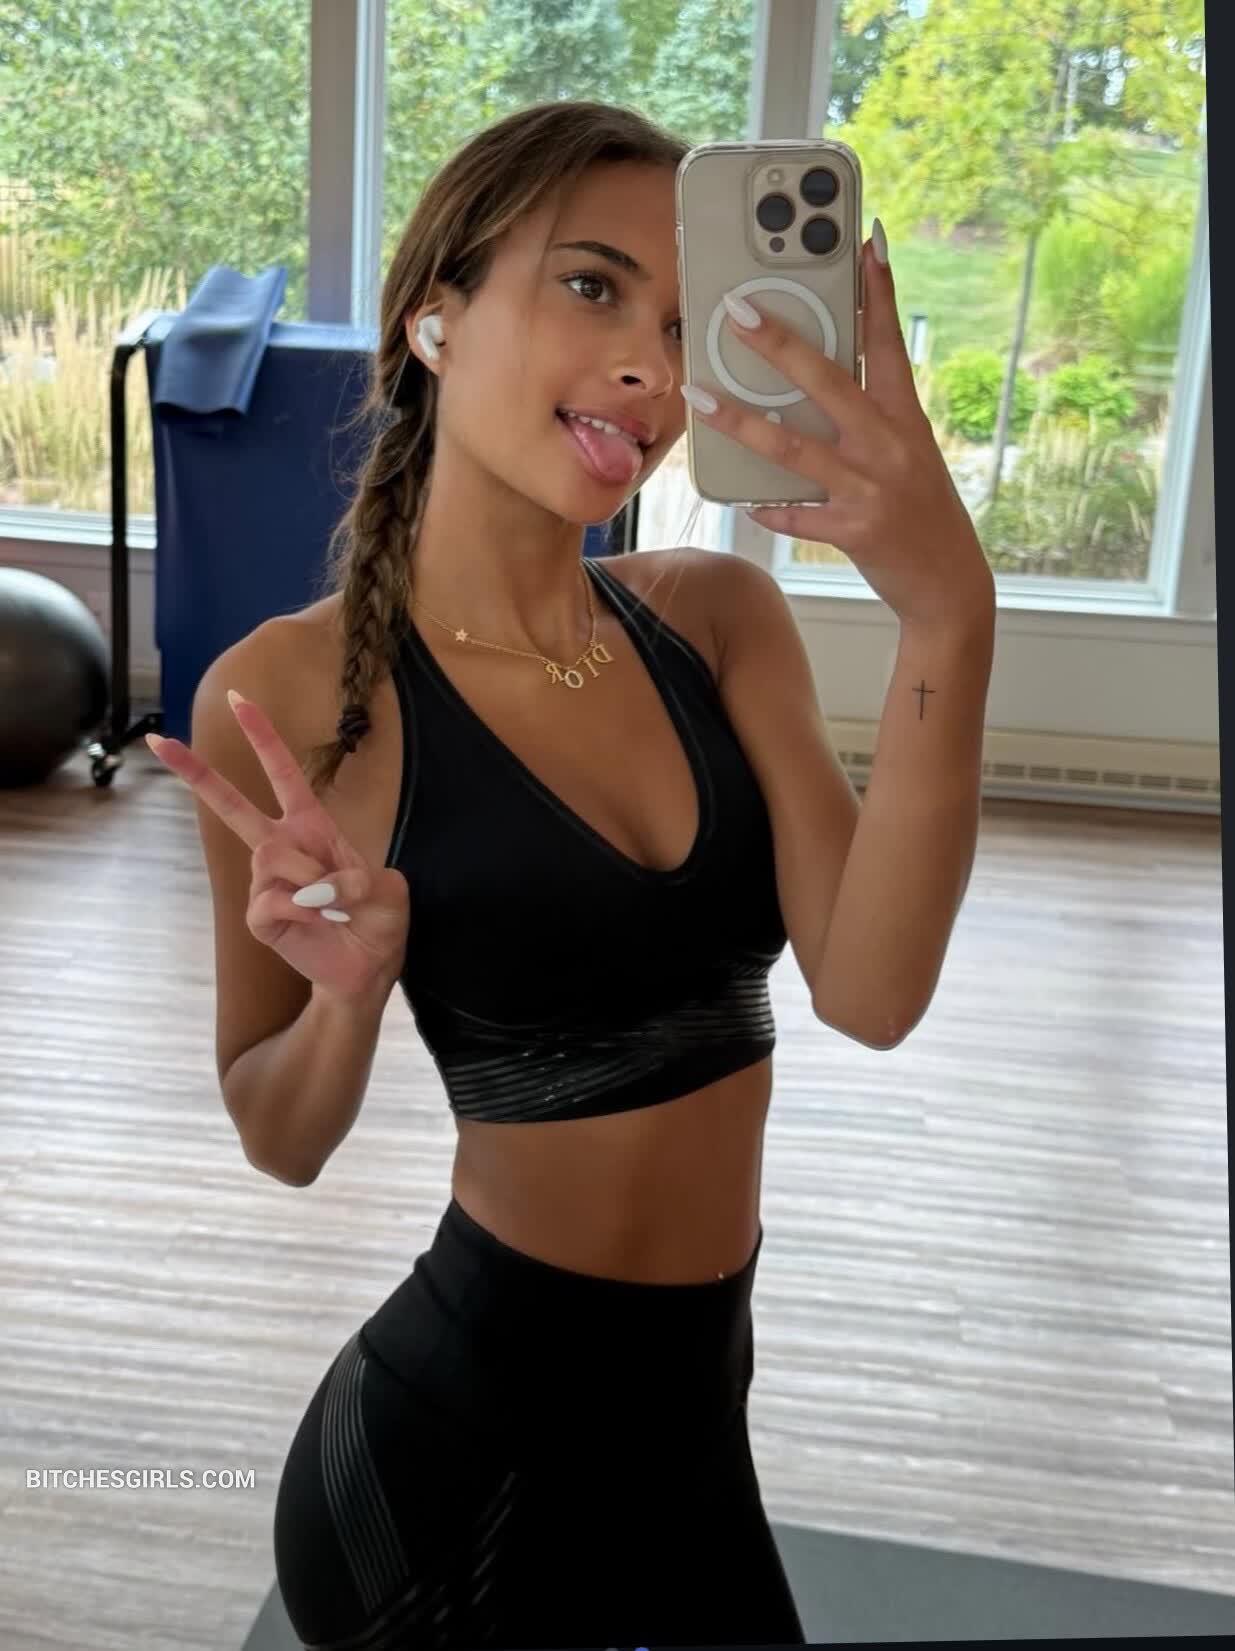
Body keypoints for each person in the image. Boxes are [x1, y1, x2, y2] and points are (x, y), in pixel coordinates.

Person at [147, 92, 996, 1651]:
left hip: (693, 1438)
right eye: (593, 286)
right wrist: (346, 1001)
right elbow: (280, 1135)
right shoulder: (289, 701)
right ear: (436, 318)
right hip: (444, 1489)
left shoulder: (719, 621)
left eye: (682, 325)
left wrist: (950, 612)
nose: (651, 370)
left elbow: (873, 994)